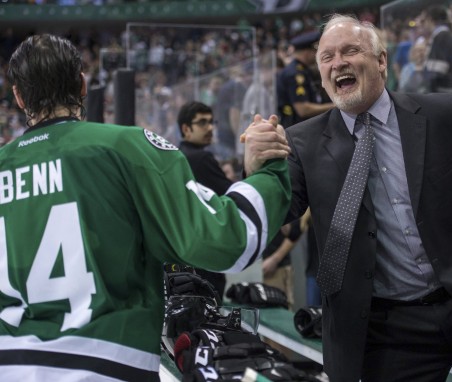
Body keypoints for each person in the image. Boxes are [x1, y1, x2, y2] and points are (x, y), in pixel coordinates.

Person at [253, 14, 452, 382]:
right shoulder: (302, 142)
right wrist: (259, 169)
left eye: (350, 50)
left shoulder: (442, 114)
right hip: (390, 332)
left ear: (381, 61)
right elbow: (279, 210)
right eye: (326, 57)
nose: (337, 62)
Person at [0, 34, 291, 381]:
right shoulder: (127, 147)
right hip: (106, 366)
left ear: (17, 96)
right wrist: (268, 170)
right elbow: (228, 239)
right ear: (82, 84)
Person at [177, 101, 232, 298]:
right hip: (205, 264)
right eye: (202, 123)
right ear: (186, 129)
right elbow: (231, 196)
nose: (209, 128)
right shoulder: (201, 158)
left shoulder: (177, 157)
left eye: (211, 122)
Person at [277, 30, 334, 128]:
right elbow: (303, 109)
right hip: (296, 130)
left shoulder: (303, 69)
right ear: (307, 53)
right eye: (315, 51)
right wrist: (335, 106)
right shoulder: (295, 74)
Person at [419, 5, 452, 93]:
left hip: (444, 89)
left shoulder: (442, 36)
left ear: (430, 19)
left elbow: (439, 68)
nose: (422, 25)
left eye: (424, 21)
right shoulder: (440, 36)